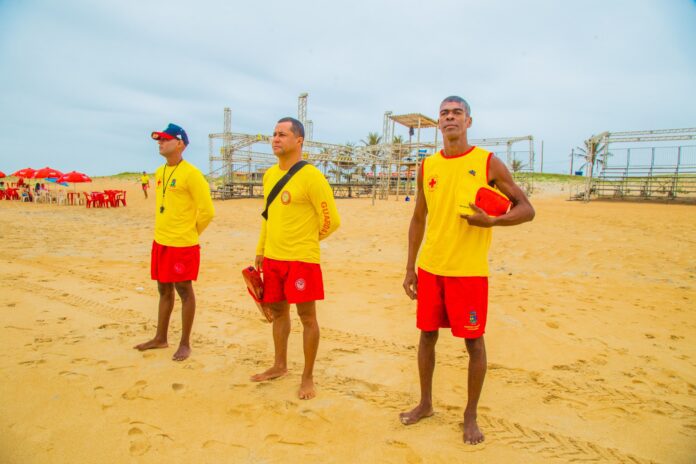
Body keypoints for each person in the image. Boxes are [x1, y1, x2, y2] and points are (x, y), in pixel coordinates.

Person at [400, 96, 535, 444]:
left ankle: (470, 415)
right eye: (444, 114)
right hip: (431, 267)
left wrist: (492, 220)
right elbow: (418, 218)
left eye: (456, 113)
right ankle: (425, 403)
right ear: (438, 123)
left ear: (468, 122)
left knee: (473, 343)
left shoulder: (487, 163)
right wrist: (410, 268)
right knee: (427, 336)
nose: (449, 118)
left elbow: (526, 209)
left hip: (469, 271)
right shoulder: (427, 166)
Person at [252, 117, 340, 400]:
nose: (276, 139)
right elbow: (267, 216)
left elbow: (331, 220)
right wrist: (261, 249)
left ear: (299, 140)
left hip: (302, 260)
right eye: (274, 134)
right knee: (279, 312)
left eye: (282, 134)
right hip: (274, 259)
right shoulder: (269, 176)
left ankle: (308, 376)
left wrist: (308, 241)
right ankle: (279, 365)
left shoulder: (312, 176)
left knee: (307, 317)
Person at [134, 123, 215, 361]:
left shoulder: (192, 174)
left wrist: (191, 233)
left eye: (166, 140)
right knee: (163, 288)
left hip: (183, 244)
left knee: (184, 290)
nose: (160, 143)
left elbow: (207, 211)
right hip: (161, 241)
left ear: (180, 143)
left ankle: (185, 343)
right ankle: (160, 337)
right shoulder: (160, 172)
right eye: (159, 140)